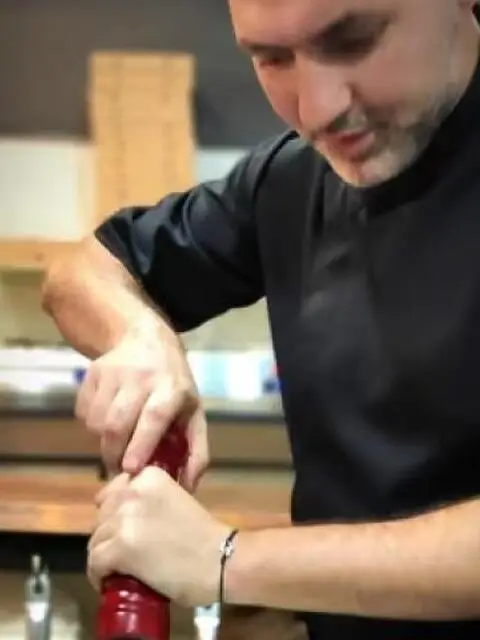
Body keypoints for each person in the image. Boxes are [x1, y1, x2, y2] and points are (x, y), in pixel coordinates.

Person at [42, 1, 480, 638]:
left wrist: (227, 560)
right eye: (272, 59)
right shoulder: (290, 181)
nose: (316, 109)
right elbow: (85, 270)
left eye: (354, 38)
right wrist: (140, 338)